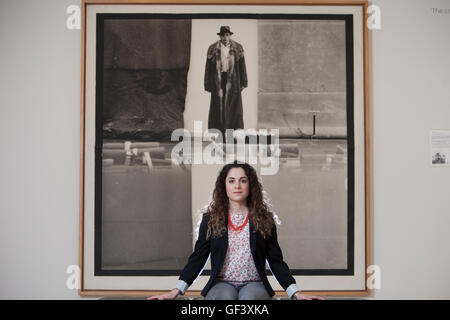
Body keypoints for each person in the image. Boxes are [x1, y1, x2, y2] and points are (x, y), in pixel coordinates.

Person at [148, 161, 324, 300]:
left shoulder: (264, 218)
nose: (237, 186)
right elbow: (198, 258)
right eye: (231, 181)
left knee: (248, 298)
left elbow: (276, 261)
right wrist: (175, 291)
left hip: (254, 284)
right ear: (224, 186)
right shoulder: (211, 219)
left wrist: (295, 293)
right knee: (226, 297)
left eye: (243, 180)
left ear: (251, 185)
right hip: (221, 284)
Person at [204, 26, 248, 136]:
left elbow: (242, 66)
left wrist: (244, 82)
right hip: (217, 80)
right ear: (220, 36)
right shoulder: (213, 48)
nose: (225, 37)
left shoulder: (238, 48)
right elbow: (208, 67)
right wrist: (207, 84)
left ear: (230, 35)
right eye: (223, 35)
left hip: (233, 80)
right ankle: (218, 133)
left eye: (227, 35)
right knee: (217, 106)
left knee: (234, 107)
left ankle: (233, 134)